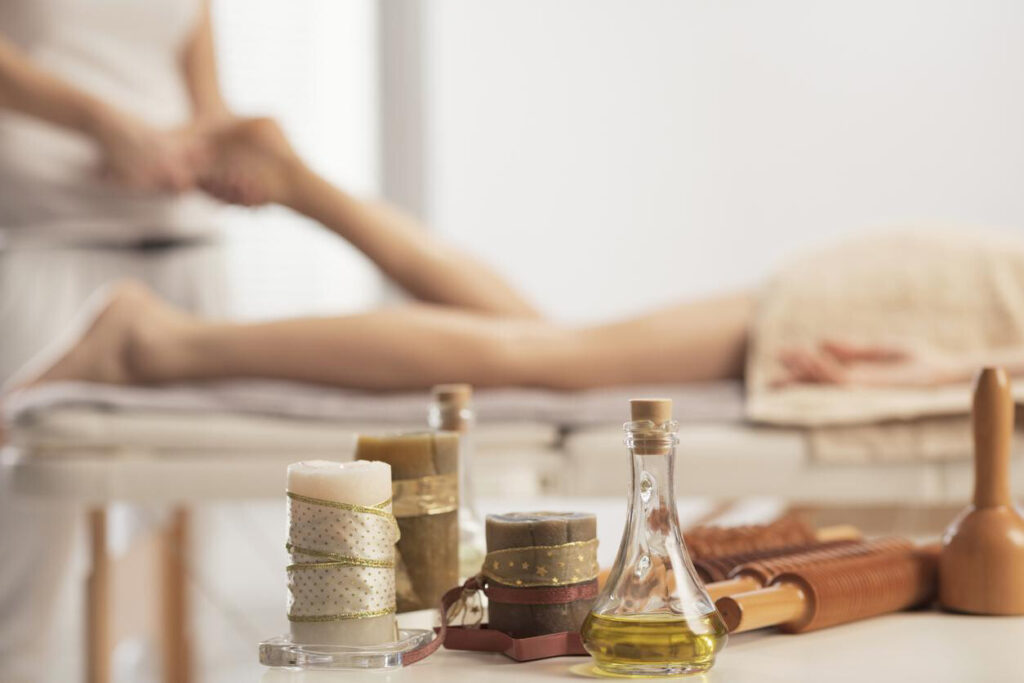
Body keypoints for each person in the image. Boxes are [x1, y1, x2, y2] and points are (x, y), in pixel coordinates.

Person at [15, 118, 982, 395]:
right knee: (553, 362)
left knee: (544, 346)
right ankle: (155, 345)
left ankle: (298, 190)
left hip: (962, 309)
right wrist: (956, 370)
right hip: (953, 313)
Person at [0, 2, 234, 681]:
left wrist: (220, 152)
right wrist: (102, 122)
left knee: (187, 567)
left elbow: (208, 103)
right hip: (51, 240)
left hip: (183, 245)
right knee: (25, 546)